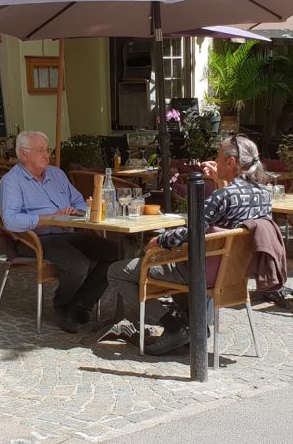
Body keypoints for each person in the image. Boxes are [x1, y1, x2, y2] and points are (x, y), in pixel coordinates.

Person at [101, 135, 273, 354]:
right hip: (235, 272)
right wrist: (219, 183)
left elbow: (194, 231)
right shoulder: (264, 195)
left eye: (219, 158)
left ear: (231, 162)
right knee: (171, 261)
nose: (215, 162)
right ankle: (194, 324)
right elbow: (227, 223)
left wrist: (160, 239)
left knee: (117, 271)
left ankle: (175, 327)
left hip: (202, 271)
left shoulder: (223, 196)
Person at [0, 130, 120, 334]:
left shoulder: (57, 174)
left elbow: (80, 202)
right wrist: (48, 219)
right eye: (40, 151)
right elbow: (10, 220)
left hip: (67, 232)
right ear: (24, 154)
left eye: (47, 150)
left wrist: (75, 212)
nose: (46, 155)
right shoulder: (11, 182)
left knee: (115, 252)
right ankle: (63, 307)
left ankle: (80, 304)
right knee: (78, 264)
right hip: (35, 239)